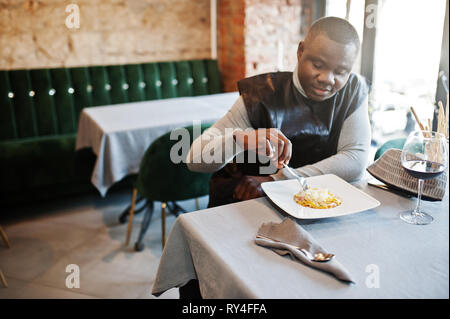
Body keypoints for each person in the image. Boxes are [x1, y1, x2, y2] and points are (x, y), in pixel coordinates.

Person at [186, 16, 371, 208]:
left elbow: (355, 160)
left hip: (315, 208)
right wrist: (239, 139)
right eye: (317, 65)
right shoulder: (260, 95)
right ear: (300, 51)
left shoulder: (353, 90)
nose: (327, 78)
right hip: (245, 205)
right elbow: (195, 160)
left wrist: (278, 179)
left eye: (340, 72)